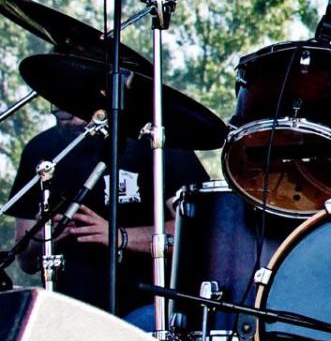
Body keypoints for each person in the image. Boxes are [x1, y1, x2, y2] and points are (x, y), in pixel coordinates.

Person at [4, 107, 208, 322]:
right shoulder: (41, 152)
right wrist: (45, 236)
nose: (72, 119)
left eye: (77, 107)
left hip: (149, 307)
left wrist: (120, 236)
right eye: (62, 111)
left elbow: (198, 233)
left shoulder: (156, 142)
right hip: (71, 312)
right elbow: (25, 261)